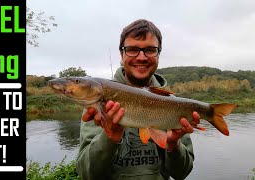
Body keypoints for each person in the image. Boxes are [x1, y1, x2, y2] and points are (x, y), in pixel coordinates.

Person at [75, 19, 200, 180]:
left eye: (150, 50)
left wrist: (173, 145)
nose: (141, 57)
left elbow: (181, 173)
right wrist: (110, 137)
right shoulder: (98, 102)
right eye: (132, 49)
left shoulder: (172, 104)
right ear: (121, 54)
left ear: (158, 55)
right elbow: (87, 174)